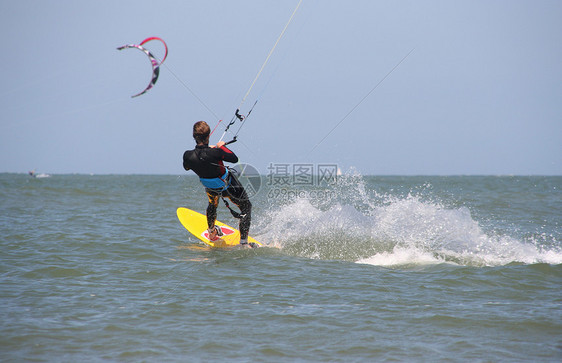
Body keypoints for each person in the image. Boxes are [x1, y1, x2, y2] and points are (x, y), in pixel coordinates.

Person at [182, 121, 254, 247]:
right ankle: (243, 243)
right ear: (208, 136)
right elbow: (234, 158)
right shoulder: (216, 152)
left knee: (212, 204)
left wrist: (206, 154)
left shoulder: (188, 155)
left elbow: (187, 167)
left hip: (210, 188)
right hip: (228, 186)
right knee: (246, 206)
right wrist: (221, 146)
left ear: (194, 136)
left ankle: (211, 232)